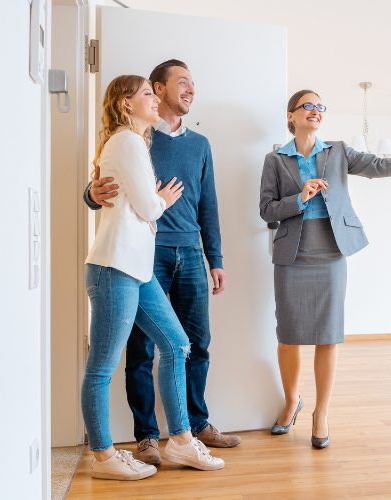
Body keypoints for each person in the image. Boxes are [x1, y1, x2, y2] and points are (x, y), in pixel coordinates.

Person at [259, 89, 391, 448]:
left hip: (331, 250)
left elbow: (386, 167)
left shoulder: (339, 151)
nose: (316, 110)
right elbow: (266, 210)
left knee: (328, 334)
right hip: (291, 254)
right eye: (308, 105)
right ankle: (292, 402)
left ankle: (321, 413)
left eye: (320, 106)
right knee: (288, 336)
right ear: (291, 115)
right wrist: (300, 197)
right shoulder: (275, 160)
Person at [85, 60, 239, 466]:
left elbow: (208, 205)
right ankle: (147, 437)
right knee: (140, 350)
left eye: (194, 83)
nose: (191, 89)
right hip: (142, 255)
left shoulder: (197, 145)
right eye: (181, 82)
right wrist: (90, 194)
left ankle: (193, 428)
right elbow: (107, 181)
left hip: (189, 252)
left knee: (192, 344)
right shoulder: (136, 137)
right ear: (157, 88)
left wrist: (215, 258)